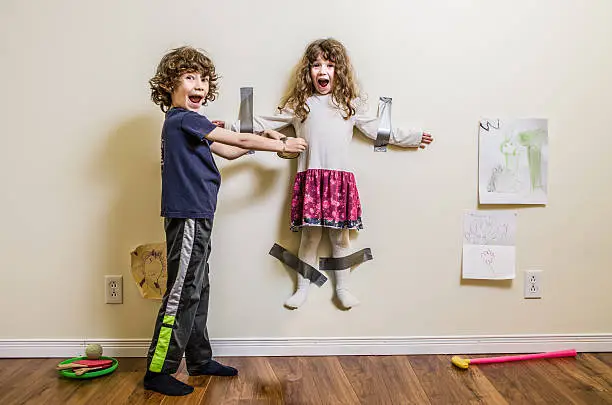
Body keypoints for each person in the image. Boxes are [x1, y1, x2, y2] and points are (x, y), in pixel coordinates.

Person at [144, 46, 307, 396]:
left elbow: (232, 149)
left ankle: (200, 359)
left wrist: (273, 143)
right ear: (170, 84)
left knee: (198, 288)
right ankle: (158, 370)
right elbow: (239, 138)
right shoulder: (182, 118)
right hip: (187, 217)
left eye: (203, 79)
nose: (198, 85)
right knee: (181, 292)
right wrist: (279, 141)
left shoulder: (191, 124)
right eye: (190, 77)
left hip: (200, 215)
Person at [246, 38, 433, 309]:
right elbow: (265, 122)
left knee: (340, 238)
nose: (323, 71)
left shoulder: (349, 104)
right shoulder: (301, 104)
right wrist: (230, 126)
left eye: (330, 65)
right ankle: (302, 288)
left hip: (339, 181)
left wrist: (412, 136)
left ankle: (342, 288)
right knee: (309, 238)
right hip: (311, 178)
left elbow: (377, 130)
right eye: (316, 65)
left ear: (339, 70)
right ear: (308, 71)